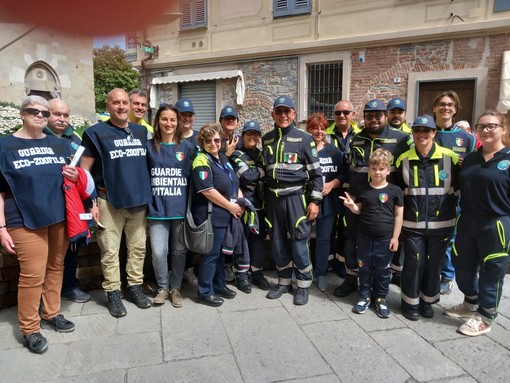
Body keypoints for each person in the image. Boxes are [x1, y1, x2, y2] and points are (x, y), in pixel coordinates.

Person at [0, 96, 79, 353]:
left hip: (58, 216)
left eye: (45, 113)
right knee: (32, 275)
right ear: (22, 113)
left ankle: (51, 313)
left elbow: (74, 178)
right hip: (23, 219)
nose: (40, 116)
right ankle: (30, 328)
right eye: (34, 111)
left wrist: (75, 175)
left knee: (56, 267)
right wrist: (1, 228)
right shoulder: (4, 146)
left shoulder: (58, 144)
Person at [80, 88, 153, 318]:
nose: (121, 107)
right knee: (110, 251)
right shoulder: (95, 133)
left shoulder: (141, 131)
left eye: (124, 103)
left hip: (138, 201)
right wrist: (90, 203)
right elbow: (84, 173)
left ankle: (134, 287)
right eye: (116, 103)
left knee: (138, 248)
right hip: (108, 201)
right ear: (108, 105)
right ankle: (112, 292)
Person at [333, 99, 409, 298]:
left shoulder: (401, 139)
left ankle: (391, 278)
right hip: (358, 201)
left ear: (385, 116)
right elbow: (351, 169)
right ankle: (351, 279)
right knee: (351, 242)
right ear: (364, 118)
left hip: (385, 203)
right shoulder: (356, 139)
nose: (373, 119)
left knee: (389, 243)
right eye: (369, 116)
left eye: (378, 115)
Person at [444, 110, 510, 336]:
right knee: (462, 265)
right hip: (468, 219)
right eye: (481, 126)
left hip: (497, 223)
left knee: (493, 271)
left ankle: (485, 315)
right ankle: (470, 302)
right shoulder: (471, 158)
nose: (486, 130)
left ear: (503, 129)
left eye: (492, 126)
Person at [395, 115, 460, 321]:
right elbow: (397, 193)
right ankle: (409, 302)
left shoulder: (451, 158)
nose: (422, 134)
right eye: (417, 131)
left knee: (434, 265)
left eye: (426, 131)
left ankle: (427, 301)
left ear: (434, 133)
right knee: (414, 264)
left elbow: (461, 188)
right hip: (412, 225)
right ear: (413, 134)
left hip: (442, 224)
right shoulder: (403, 159)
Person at [262, 95, 323, 306]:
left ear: (294, 114)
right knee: (277, 243)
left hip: (296, 199)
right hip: (273, 199)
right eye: (279, 111)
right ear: (273, 114)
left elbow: (317, 175)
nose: (283, 115)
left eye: (287, 111)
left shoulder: (305, 139)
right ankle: (284, 282)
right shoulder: (267, 138)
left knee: (299, 243)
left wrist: (314, 202)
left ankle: (304, 285)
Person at [340, 149, 403, 318]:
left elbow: (398, 215)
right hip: (364, 238)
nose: (377, 172)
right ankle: (364, 296)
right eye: (374, 168)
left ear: (388, 170)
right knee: (365, 268)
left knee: (383, 270)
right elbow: (360, 209)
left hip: (385, 239)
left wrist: (396, 237)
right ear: (369, 169)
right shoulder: (363, 189)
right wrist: (352, 206)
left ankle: (381, 298)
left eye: (381, 169)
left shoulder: (395, 191)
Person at [147, 104, 195, 307]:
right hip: (156, 209)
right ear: (158, 121)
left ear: (178, 122)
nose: (168, 123)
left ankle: (176, 288)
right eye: (164, 119)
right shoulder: (148, 147)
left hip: (179, 209)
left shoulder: (188, 148)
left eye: (172, 120)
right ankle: (163, 287)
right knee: (158, 252)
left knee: (178, 251)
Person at [44, 98, 91, 304]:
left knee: (72, 246)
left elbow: (85, 173)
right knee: (45, 254)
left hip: (73, 205)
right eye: (57, 114)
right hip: (47, 204)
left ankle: (70, 286)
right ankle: (43, 295)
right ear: (47, 115)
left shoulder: (75, 141)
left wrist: (91, 203)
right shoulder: (36, 137)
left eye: (65, 115)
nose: (62, 119)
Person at [191, 123, 244, 307]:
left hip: (227, 214)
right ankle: (204, 291)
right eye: (209, 140)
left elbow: (233, 183)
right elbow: (207, 190)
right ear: (202, 142)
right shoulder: (201, 160)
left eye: (217, 140)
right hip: (211, 215)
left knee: (221, 254)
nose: (213, 143)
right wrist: (231, 206)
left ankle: (219, 284)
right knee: (211, 254)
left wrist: (239, 204)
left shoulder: (223, 158)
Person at [431, 91, 476, 295]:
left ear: (455, 109)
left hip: (453, 196)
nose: (445, 108)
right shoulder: (425, 132)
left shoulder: (466, 139)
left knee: (449, 238)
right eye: (441, 104)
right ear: (434, 108)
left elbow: (473, 169)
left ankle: (447, 277)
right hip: (427, 195)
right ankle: (430, 272)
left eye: (450, 105)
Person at [305, 113, 345, 291]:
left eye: (322, 128)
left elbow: (343, 174)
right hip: (306, 200)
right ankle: (303, 270)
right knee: (302, 237)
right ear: (309, 129)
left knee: (323, 239)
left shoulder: (334, 151)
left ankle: (320, 273)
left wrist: (332, 184)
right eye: (315, 127)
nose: (319, 131)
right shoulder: (303, 148)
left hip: (328, 202)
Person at [230, 120, 270, 290]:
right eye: (249, 134)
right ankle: (241, 275)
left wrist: (260, 172)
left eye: (255, 134)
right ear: (243, 136)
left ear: (259, 137)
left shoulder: (262, 155)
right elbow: (246, 177)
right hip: (245, 206)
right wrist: (262, 171)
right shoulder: (236, 155)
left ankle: (257, 273)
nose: (252, 137)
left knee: (258, 241)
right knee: (243, 241)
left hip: (261, 206)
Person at [324, 100, 361, 278]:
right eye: (338, 113)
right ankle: (329, 261)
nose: (342, 116)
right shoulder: (326, 134)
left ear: (353, 115)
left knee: (346, 229)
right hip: (331, 188)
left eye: (346, 112)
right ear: (334, 115)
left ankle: (342, 263)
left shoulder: (361, 135)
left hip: (352, 190)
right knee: (329, 228)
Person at [175, 97, 199, 287]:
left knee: (190, 232)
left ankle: (188, 269)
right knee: (173, 235)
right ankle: (172, 271)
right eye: (183, 115)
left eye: (189, 115)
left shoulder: (199, 138)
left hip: (194, 194)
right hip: (174, 192)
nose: (187, 118)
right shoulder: (169, 138)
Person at [219, 105, 242, 282]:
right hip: (222, 195)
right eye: (227, 119)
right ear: (221, 122)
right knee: (224, 235)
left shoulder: (242, 140)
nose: (230, 121)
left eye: (233, 119)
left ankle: (240, 268)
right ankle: (225, 267)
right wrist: (226, 154)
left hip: (240, 192)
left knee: (238, 233)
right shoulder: (215, 140)